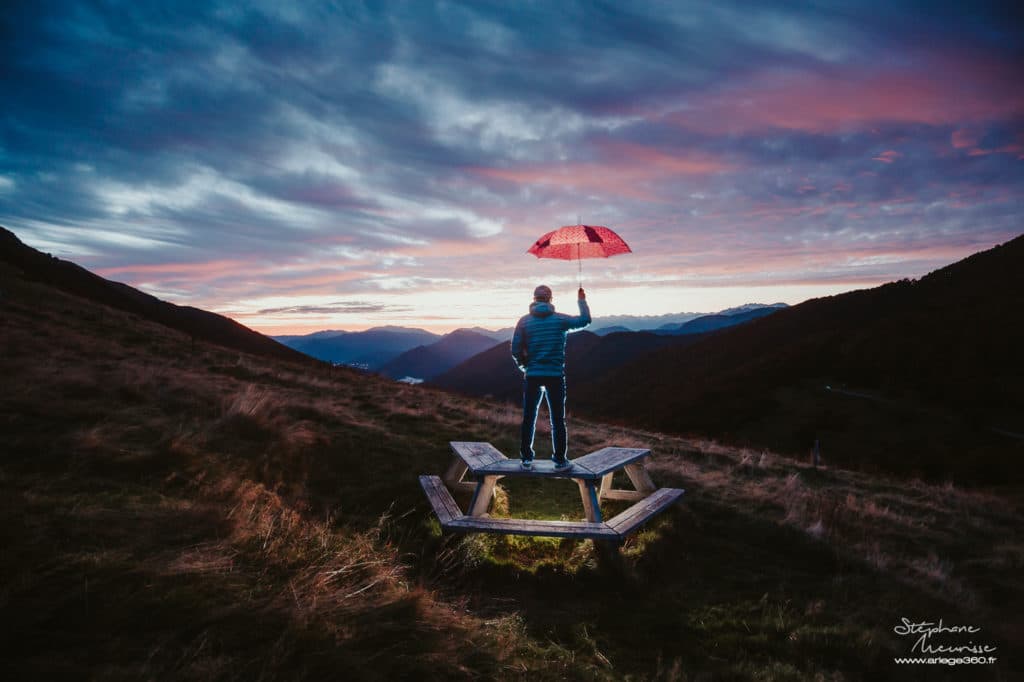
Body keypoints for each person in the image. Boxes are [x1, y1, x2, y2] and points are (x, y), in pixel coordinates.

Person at [510, 284, 591, 469]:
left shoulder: (524, 321)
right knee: (557, 419)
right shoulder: (560, 320)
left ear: (534, 299)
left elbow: (515, 349)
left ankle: (526, 459)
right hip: (555, 376)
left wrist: (525, 366)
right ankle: (560, 460)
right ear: (550, 299)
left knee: (529, 417)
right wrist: (581, 299)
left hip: (533, 376)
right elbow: (585, 319)